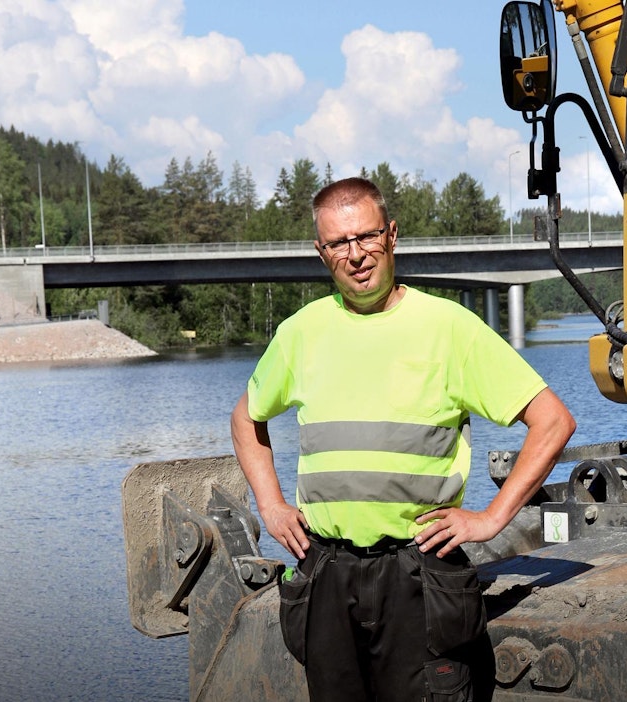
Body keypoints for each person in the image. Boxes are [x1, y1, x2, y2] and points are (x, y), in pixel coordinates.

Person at [230, 177, 575, 702]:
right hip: (328, 573)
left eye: (366, 236)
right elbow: (245, 418)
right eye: (339, 243)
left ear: (391, 235)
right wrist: (270, 504)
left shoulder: (448, 328)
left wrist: (491, 517)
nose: (356, 255)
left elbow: (552, 421)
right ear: (321, 253)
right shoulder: (301, 333)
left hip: (417, 572)